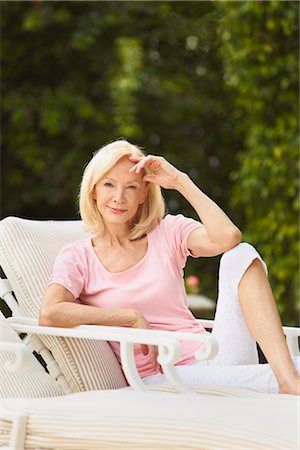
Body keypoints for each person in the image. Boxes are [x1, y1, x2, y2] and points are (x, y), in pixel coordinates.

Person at [40, 139, 299, 395]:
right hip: (162, 377)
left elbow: (228, 237)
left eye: (131, 187)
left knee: (240, 254)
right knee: (279, 374)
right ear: (93, 190)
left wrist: (179, 181)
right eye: (109, 184)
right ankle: (287, 380)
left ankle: (287, 380)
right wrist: (128, 316)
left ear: (143, 194)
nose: (119, 197)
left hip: (214, 356)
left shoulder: (167, 232)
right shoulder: (78, 255)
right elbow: (50, 313)